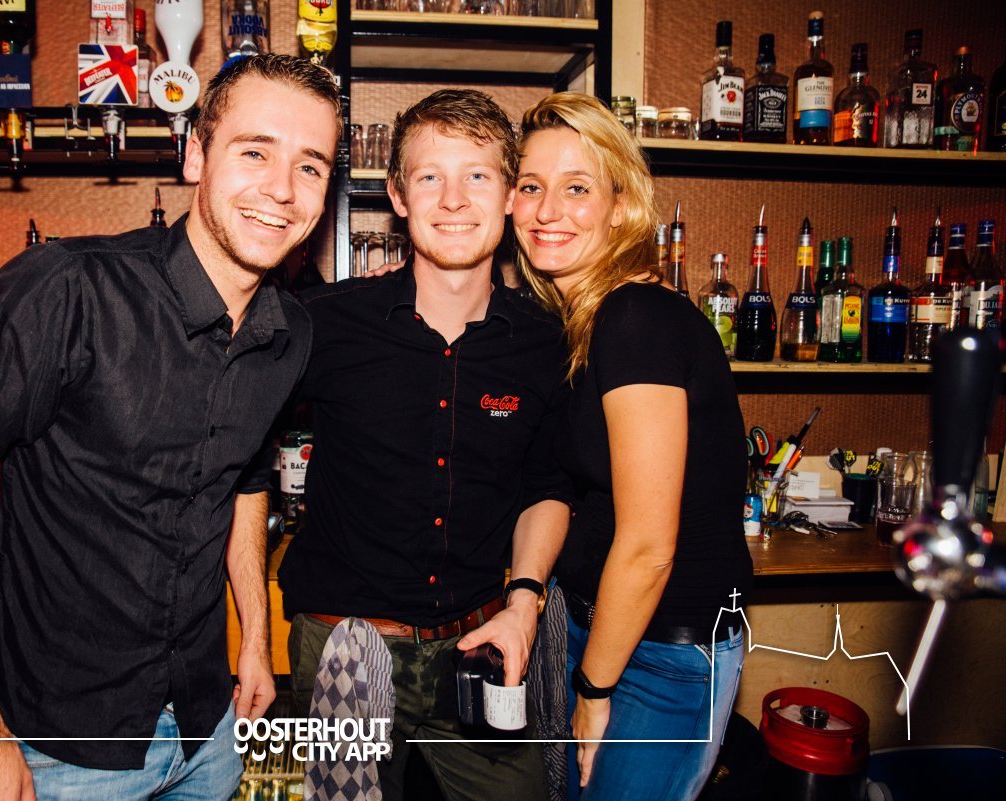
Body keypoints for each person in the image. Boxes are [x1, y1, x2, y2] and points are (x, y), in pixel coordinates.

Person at [0, 54, 342, 801]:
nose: (282, 189)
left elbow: (246, 478)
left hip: (206, 728)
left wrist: (255, 636)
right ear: (196, 155)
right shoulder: (65, 290)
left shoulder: (290, 331)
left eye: (310, 166)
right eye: (255, 152)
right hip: (57, 746)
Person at [278, 88, 573, 801]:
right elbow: (230, 450)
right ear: (397, 196)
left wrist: (525, 602)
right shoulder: (324, 324)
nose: (453, 199)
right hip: (346, 648)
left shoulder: (544, 341)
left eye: (478, 175)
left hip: (479, 648)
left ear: (510, 195)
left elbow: (548, 486)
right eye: (430, 176)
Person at [510, 92, 753, 801]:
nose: (547, 210)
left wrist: (594, 689)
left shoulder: (634, 318)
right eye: (531, 186)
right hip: (609, 638)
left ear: (620, 206)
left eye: (576, 188)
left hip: (661, 658)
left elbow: (649, 546)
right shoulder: (588, 320)